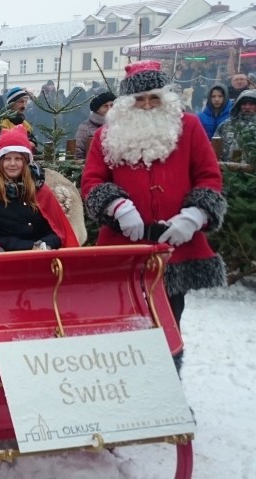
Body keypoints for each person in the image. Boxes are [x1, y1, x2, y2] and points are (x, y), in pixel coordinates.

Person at [81, 60, 226, 372]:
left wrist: (194, 216)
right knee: (121, 319)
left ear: (165, 97)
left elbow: (209, 177)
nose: (147, 105)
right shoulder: (106, 135)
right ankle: (121, 386)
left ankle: (167, 393)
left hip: (176, 246)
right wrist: (118, 207)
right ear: (126, 103)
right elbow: (92, 182)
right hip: (124, 247)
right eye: (139, 99)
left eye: (153, 98)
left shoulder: (189, 127)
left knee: (169, 318)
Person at [0, 125, 79, 251]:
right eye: (7, 159)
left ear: (26, 162)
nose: (12, 164)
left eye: (18, 159)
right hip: (7, 256)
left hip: (44, 253)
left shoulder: (39, 190)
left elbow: (57, 230)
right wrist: (29, 247)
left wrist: (45, 244)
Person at [0, 86, 37, 152]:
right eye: (21, 102)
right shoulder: (2, 123)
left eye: (25, 102)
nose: (23, 105)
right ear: (12, 104)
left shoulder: (25, 124)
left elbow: (33, 141)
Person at [215, 89, 255, 162]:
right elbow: (215, 149)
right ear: (238, 105)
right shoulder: (226, 125)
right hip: (227, 170)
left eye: (251, 104)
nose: (247, 107)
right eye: (244, 104)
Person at [74, 91, 116, 160]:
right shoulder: (85, 127)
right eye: (105, 106)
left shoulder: (120, 125)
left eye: (112, 105)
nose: (109, 108)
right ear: (97, 109)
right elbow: (78, 151)